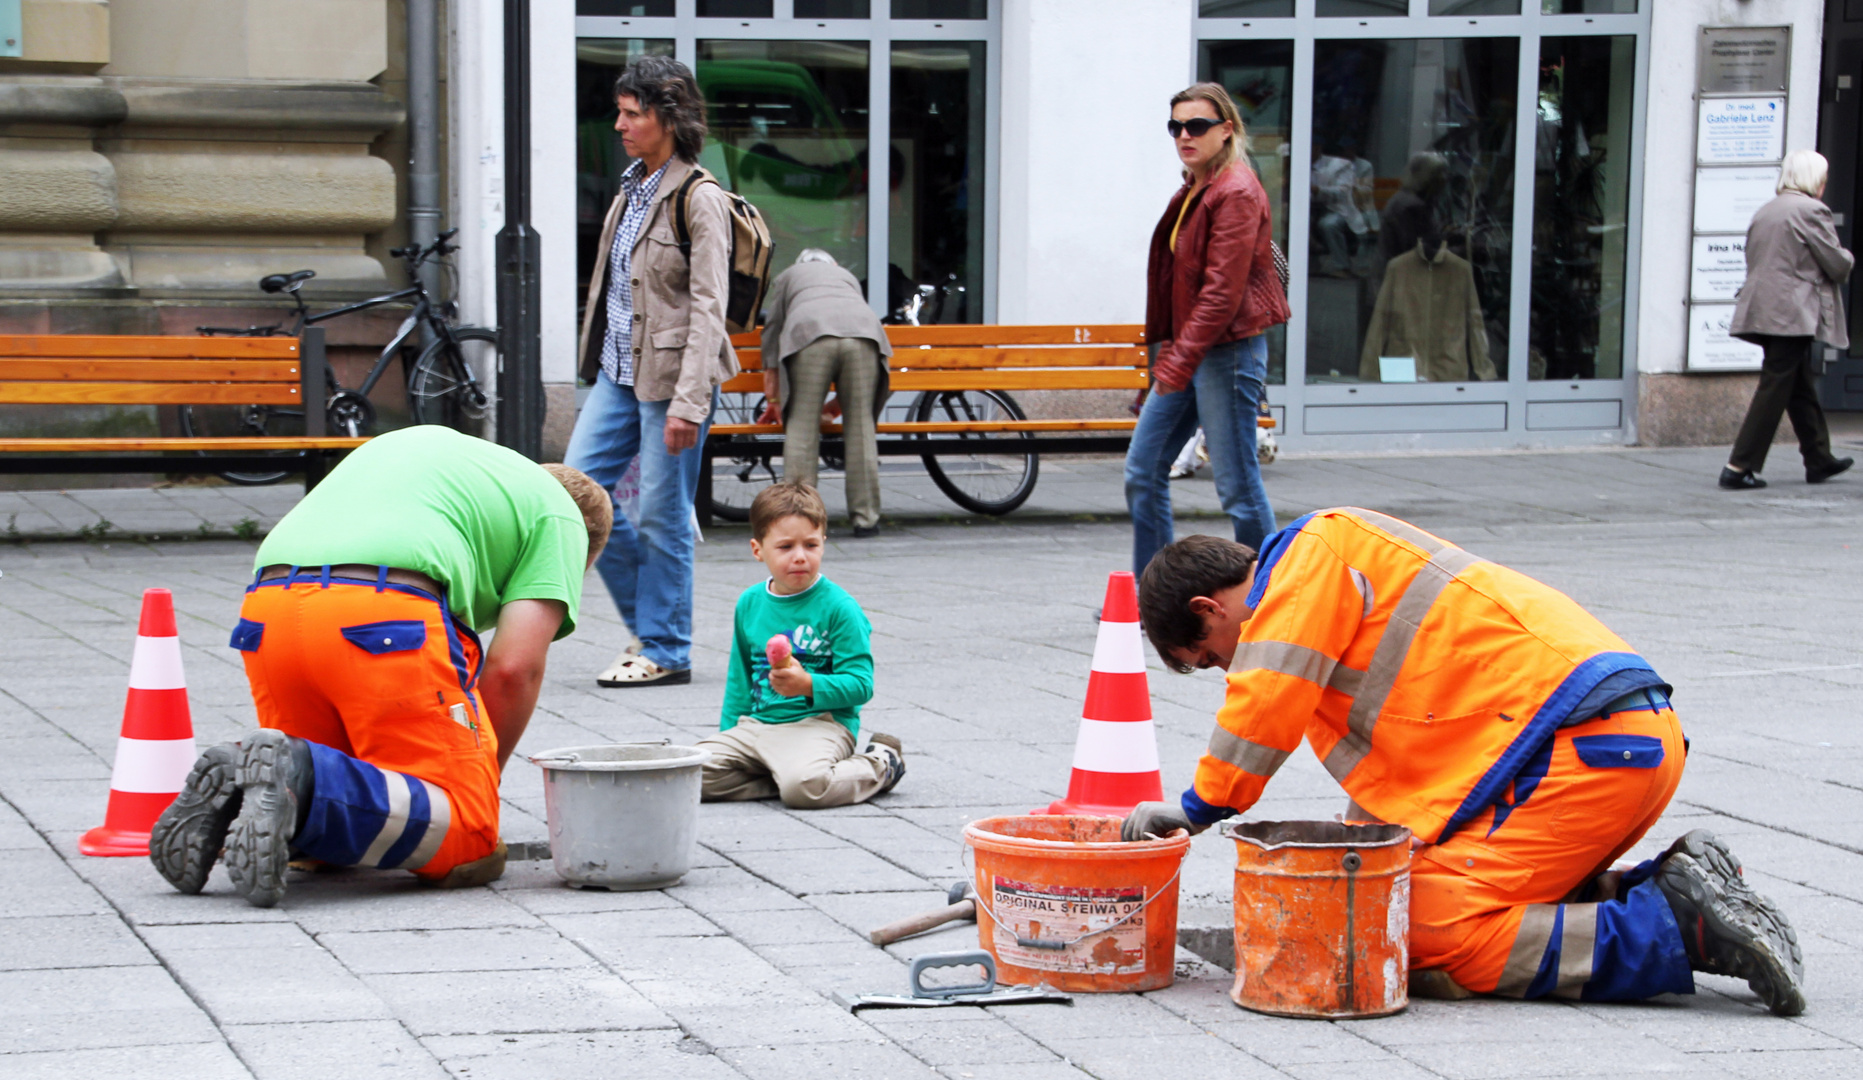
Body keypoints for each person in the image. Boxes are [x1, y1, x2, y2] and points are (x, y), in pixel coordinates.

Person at [1120, 513, 1806, 1016]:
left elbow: (1261, 704)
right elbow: (1387, 787)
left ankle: (1675, 928)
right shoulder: (1337, 588)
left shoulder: (1306, 565)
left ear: (1208, 608)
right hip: (1613, 742)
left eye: (1210, 655)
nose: (1226, 667)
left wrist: (1195, 808)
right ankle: (1673, 886)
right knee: (1398, 895)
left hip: (1584, 750)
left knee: (1410, 929)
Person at [148, 426, 612, 907]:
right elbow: (513, 669)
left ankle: (269, 800)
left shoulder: (452, 467)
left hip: (269, 612)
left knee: (354, 784)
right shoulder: (562, 517)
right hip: (382, 620)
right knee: (470, 837)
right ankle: (295, 780)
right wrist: (479, 775)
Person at [567, 55, 738, 686]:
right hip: (616, 373)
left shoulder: (700, 198)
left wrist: (690, 403)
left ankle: (666, 650)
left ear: (667, 118)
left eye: (632, 113)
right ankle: (653, 627)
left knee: (662, 517)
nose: (619, 124)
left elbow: (709, 306)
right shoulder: (631, 186)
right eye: (619, 111)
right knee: (576, 497)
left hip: (671, 383)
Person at [1125, 82, 1290, 580]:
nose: (1184, 135)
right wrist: (1173, 354)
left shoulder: (1236, 191)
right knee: (1142, 469)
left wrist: (1175, 362)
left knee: (1238, 486)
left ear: (1227, 129)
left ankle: (1271, 594)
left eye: (1196, 125)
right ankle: (1154, 593)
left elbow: (1221, 291)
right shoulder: (1197, 187)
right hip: (1190, 350)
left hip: (1227, 352)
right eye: (1175, 126)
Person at [697, 482, 905, 808]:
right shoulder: (749, 603)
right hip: (757, 726)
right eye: (785, 547)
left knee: (805, 790)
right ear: (757, 549)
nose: (799, 557)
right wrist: (728, 734)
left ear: (823, 542)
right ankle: (782, 776)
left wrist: (807, 684)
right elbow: (739, 679)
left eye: (810, 545)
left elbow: (861, 685)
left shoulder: (840, 607)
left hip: (820, 726)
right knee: (686, 776)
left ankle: (879, 764)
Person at [1721, 149, 1855, 490]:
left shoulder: (1768, 209)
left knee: (1797, 383)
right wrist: (1848, 257)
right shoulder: (1811, 210)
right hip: (1791, 312)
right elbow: (1836, 264)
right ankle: (1738, 466)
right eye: (1822, 176)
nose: (1825, 183)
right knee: (1776, 386)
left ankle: (1819, 458)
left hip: (1764, 308)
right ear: (1813, 179)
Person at [760, 249, 893, 538]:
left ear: (801, 265)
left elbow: (772, 330)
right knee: (861, 428)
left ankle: (800, 519)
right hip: (865, 337)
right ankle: (866, 519)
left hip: (810, 336)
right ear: (832, 264)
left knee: (802, 428)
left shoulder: (788, 277)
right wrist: (835, 406)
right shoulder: (845, 276)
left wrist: (773, 396)